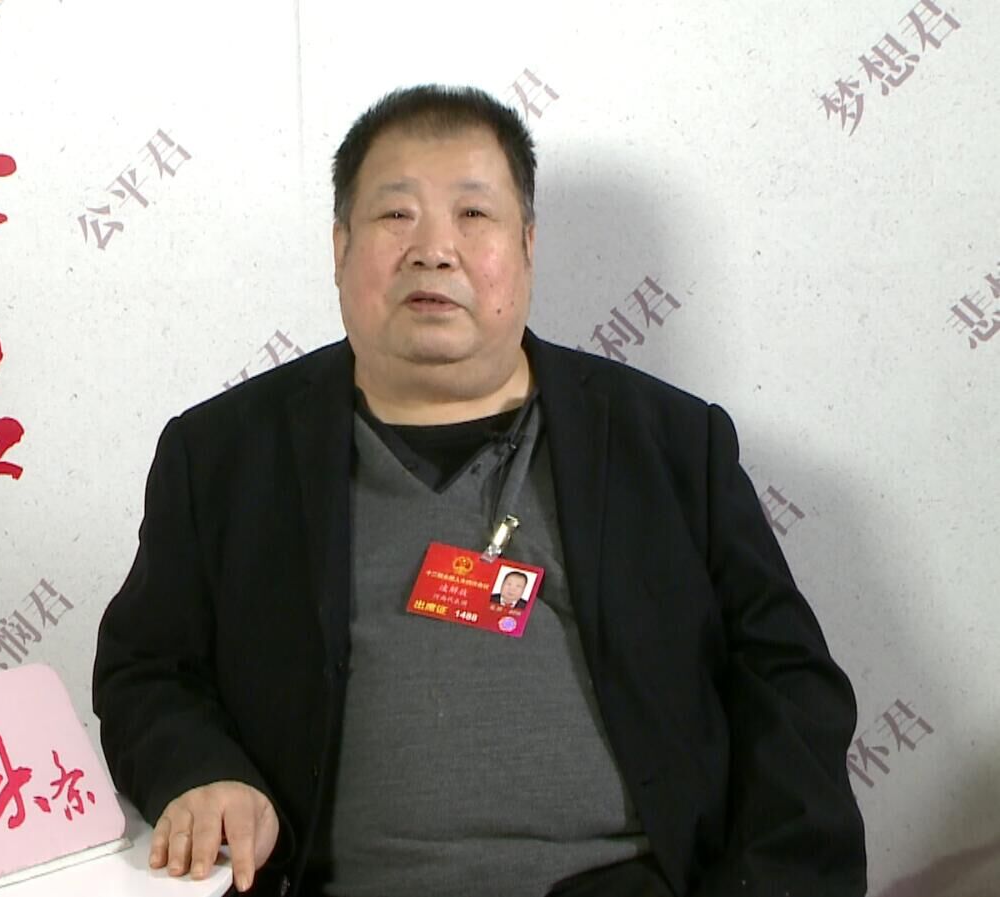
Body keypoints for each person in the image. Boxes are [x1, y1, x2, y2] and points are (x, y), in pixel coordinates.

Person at [92, 84, 866, 897]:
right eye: (396, 215)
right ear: (339, 246)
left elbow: (789, 686)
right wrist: (201, 771)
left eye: (473, 214)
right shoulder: (222, 456)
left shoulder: (668, 443)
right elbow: (147, 670)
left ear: (527, 246)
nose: (434, 250)